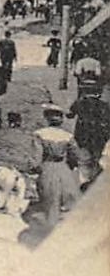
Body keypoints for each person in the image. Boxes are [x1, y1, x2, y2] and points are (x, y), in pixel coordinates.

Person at [28, 103, 84, 232]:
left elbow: (36, 157)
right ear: (61, 119)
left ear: (46, 118)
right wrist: (71, 166)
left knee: (48, 198)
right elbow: (75, 156)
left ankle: (45, 227)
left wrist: (33, 169)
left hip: (47, 167)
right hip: (63, 169)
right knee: (66, 199)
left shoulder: (40, 134)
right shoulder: (68, 136)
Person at [67, 78, 109, 186]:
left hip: (83, 134)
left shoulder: (80, 102)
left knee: (84, 158)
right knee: (97, 157)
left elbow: (70, 114)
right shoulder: (104, 105)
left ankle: (84, 181)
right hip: (100, 135)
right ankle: (95, 180)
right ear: (98, 92)